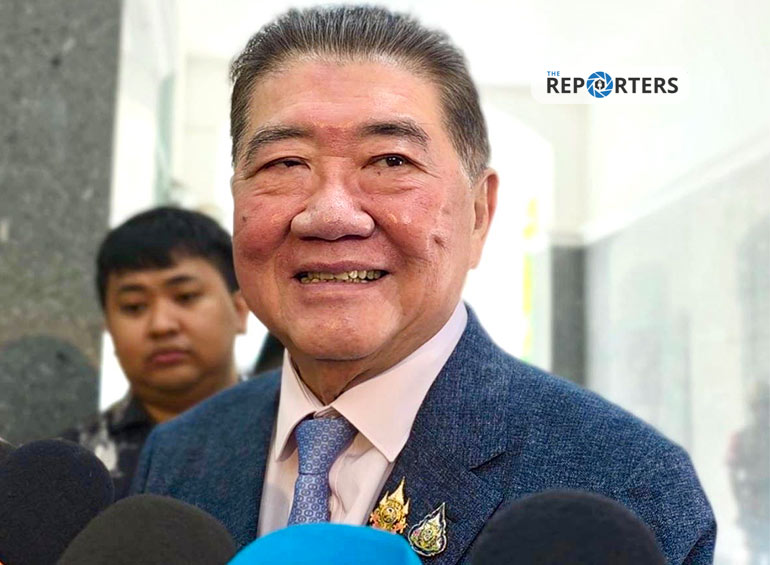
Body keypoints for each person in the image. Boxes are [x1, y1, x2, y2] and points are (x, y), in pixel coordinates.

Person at [133, 7, 715, 563]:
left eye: (390, 161)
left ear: (479, 213)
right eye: (284, 163)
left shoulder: (624, 482)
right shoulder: (180, 454)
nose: (330, 215)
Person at [62, 206, 248, 499]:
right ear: (108, 327)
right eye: (134, 306)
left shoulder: (292, 440)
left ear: (240, 310)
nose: (161, 325)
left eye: (185, 296)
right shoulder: (73, 466)